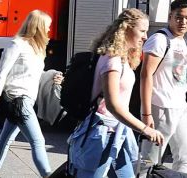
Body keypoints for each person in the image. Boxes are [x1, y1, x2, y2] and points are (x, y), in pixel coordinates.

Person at [70, 9, 164, 177]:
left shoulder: (122, 59)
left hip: (117, 131)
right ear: (126, 28)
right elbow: (113, 105)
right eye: (142, 31)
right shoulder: (112, 60)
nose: (145, 36)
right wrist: (144, 129)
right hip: (102, 134)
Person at [0, 10, 54, 178]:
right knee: (38, 141)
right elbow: (2, 71)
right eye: (47, 26)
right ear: (38, 27)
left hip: (26, 99)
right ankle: (48, 175)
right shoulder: (17, 44)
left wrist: (54, 76)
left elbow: (36, 74)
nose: (49, 30)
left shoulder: (36, 48)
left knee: (4, 140)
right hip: (17, 99)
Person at [140, 0, 187, 174]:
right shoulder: (159, 40)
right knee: (149, 159)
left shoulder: (181, 40)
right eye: (178, 17)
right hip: (160, 107)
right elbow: (146, 75)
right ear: (170, 17)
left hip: (179, 107)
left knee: (184, 155)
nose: (183, 22)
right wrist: (147, 113)